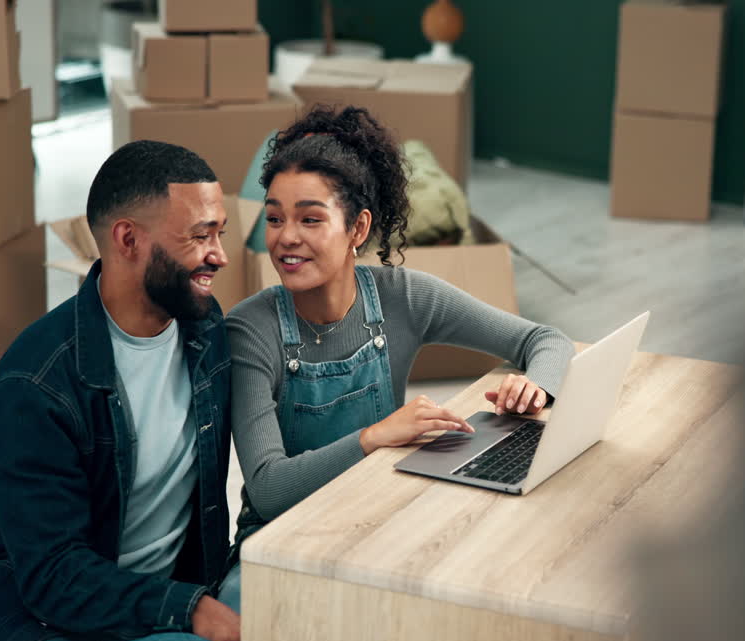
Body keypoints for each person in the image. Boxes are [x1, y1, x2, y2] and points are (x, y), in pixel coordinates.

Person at [0, 140, 242, 641]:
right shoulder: (35, 381)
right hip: (32, 614)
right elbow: (50, 574)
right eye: (199, 236)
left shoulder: (207, 336)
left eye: (220, 232)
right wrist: (191, 607)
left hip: (148, 608)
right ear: (128, 240)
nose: (219, 255)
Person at [223, 105, 576, 590]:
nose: (286, 237)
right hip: (276, 545)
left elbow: (545, 340)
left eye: (310, 219)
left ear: (359, 229)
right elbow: (268, 490)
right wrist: (375, 436)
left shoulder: (402, 297)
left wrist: (534, 387)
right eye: (275, 218)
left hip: (380, 522)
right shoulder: (249, 330)